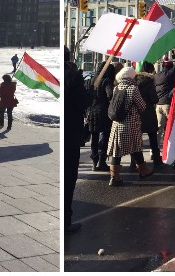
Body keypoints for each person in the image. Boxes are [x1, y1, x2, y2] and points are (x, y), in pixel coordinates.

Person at [107, 66, 152, 186]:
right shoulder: (133, 88)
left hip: (117, 123)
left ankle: (114, 177)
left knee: (117, 150)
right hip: (130, 123)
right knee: (136, 146)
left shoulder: (117, 87)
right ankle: (143, 170)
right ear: (131, 76)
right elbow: (142, 106)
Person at [64, 46, 89, 234]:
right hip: (71, 131)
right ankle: (66, 220)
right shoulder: (73, 76)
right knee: (69, 177)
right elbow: (81, 102)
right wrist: (91, 94)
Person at [88, 62, 115, 171]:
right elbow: (110, 95)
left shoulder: (92, 80)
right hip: (103, 112)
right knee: (104, 136)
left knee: (94, 138)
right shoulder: (106, 81)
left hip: (92, 111)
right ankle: (102, 161)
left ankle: (94, 162)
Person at [134, 62, 161, 170]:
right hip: (148, 112)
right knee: (152, 137)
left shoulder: (134, 81)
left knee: (136, 139)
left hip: (137, 113)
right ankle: (156, 159)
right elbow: (154, 99)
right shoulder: (149, 82)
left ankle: (136, 162)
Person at [154, 56, 175, 152]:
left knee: (159, 128)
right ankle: (169, 148)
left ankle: (154, 150)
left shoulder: (157, 75)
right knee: (171, 127)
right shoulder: (172, 73)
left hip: (158, 104)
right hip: (168, 104)